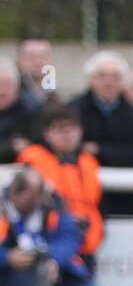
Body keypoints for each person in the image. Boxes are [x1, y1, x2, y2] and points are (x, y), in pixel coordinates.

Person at [0, 167, 107, 286]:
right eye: (28, 198)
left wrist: (53, 259)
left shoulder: (53, 205)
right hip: (8, 281)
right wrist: (8, 257)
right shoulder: (3, 209)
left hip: (51, 275)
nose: (34, 202)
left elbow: (69, 238)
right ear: (15, 193)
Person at [18, 106, 104, 269]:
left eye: (72, 128)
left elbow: (94, 203)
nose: (67, 135)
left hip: (86, 242)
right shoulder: (34, 159)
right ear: (46, 133)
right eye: (59, 129)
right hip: (50, 242)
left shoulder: (88, 162)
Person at [72, 52, 133, 167]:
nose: (108, 82)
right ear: (91, 80)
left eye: (115, 76)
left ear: (123, 82)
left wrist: (99, 150)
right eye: (102, 76)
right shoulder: (74, 110)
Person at [0, 60, 39, 164]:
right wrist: (10, 147)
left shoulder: (30, 109)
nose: (2, 91)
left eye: (8, 85)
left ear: (17, 86)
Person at [17, 39, 56, 110]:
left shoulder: (56, 97)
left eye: (43, 57)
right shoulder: (9, 96)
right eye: (30, 57)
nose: (38, 62)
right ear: (19, 60)